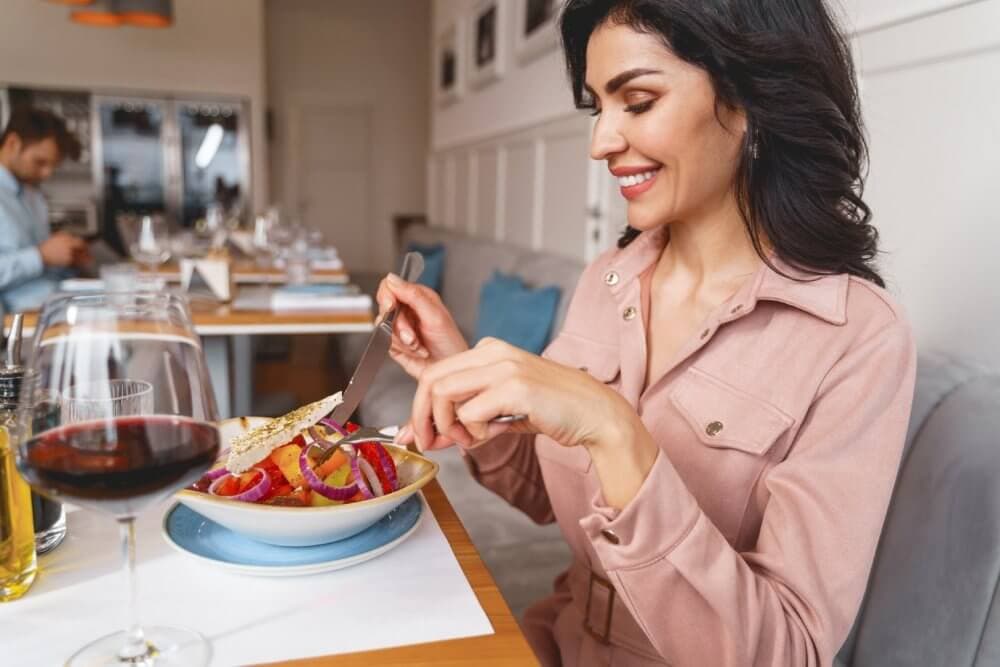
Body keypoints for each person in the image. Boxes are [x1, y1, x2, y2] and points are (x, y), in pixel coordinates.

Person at [378, 0, 917, 664]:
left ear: (751, 99)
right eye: (598, 108)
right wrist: (458, 371)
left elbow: (789, 649)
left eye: (636, 102)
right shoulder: (609, 278)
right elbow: (555, 496)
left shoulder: (855, 337)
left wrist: (614, 426)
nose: (601, 142)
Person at [0, 107, 88, 313]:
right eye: (40, 162)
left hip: (55, 302)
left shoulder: (34, 196)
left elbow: (44, 267)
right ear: (13, 143)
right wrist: (41, 256)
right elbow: (40, 257)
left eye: (52, 166)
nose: (47, 174)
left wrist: (68, 259)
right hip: (18, 319)